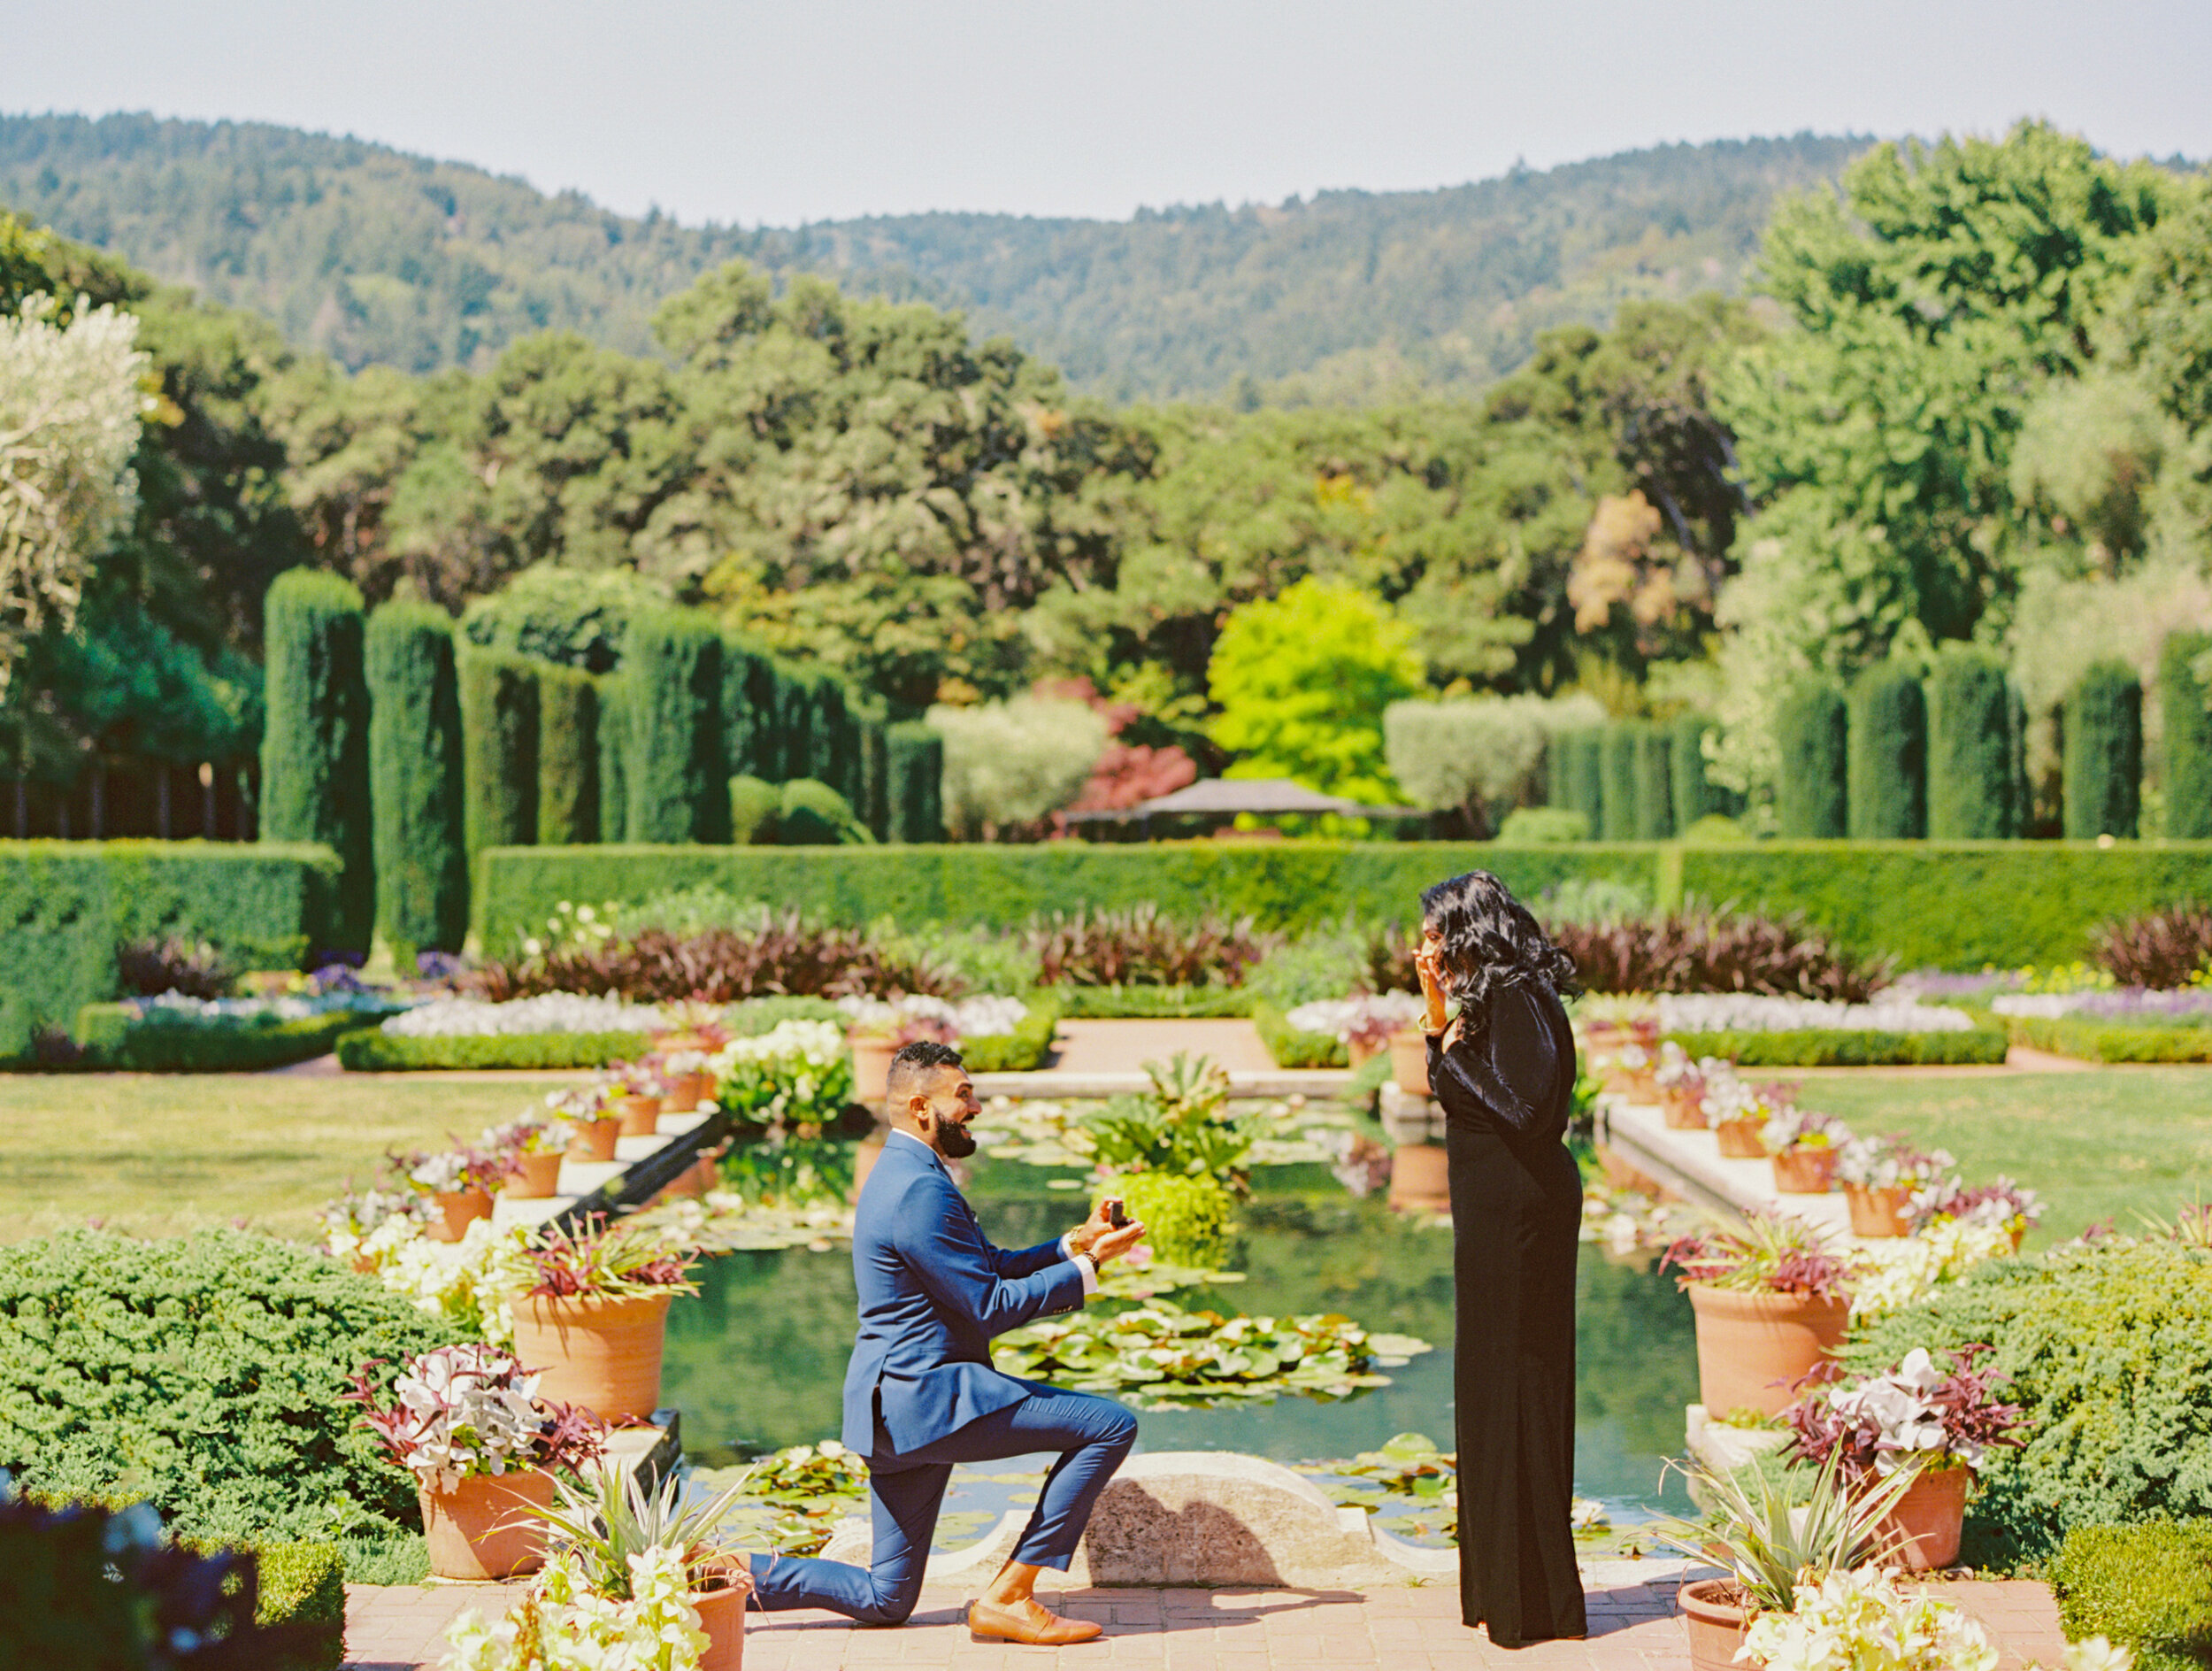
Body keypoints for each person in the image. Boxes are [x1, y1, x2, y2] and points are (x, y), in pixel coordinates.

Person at [746, 1039, 1148, 1645]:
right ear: (919, 1107)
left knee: (888, 1598)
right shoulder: (919, 1188)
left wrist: (1073, 1244)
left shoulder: (906, 1171)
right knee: (1108, 1425)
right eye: (963, 1096)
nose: (976, 1107)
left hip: (894, 1408)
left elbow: (989, 1265)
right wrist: (1088, 1269)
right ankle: (1011, 1596)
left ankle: (719, 1575)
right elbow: (988, 1306)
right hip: (927, 1399)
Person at [1412, 870, 1587, 1648]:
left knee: (1518, 1384)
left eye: (1435, 933)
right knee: (1489, 1387)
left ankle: (1532, 1603)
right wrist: (1438, 1019)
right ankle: (1498, 1589)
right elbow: (1454, 1087)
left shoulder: (1516, 993)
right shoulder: (1493, 995)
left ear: (1466, 931)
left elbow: (1521, 1108)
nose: (1425, 945)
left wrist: (1449, 1044)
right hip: (1494, 1220)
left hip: (1521, 1219)